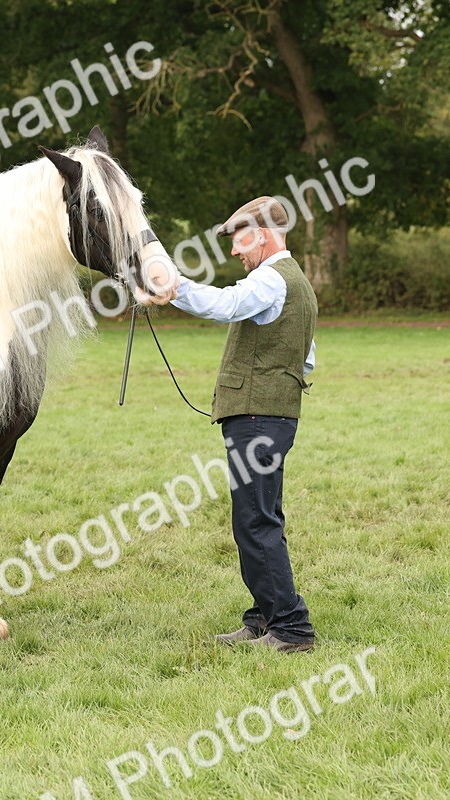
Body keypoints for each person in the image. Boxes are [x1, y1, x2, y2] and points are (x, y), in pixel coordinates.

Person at [139, 196, 318, 653]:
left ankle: (292, 629)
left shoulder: (271, 281)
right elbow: (307, 358)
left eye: (239, 240)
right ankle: (263, 617)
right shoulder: (297, 283)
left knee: (256, 522)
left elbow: (224, 304)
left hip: (259, 418)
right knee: (258, 518)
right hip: (270, 415)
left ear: (260, 234)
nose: (235, 251)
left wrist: (172, 285)